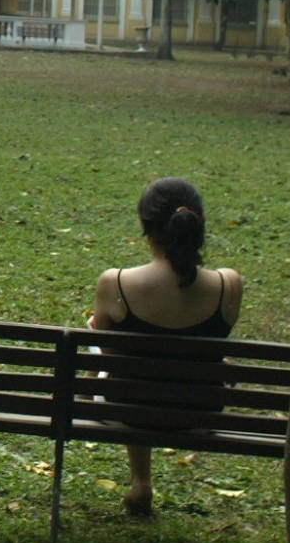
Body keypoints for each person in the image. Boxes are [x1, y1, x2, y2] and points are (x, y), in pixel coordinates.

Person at [87, 177, 243, 517]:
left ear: (146, 227)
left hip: (127, 410)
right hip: (198, 414)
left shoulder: (115, 283)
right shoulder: (228, 284)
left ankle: (141, 481)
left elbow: (112, 362)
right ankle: (141, 482)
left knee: (124, 372)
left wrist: (98, 337)